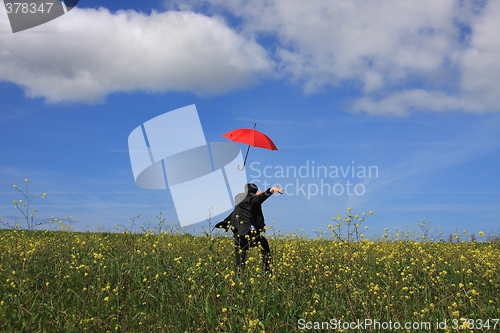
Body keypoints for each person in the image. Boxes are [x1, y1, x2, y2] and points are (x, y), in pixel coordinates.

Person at [215, 183, 283, 274]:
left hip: (239, 235)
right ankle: (268, 271)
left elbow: (247, 197)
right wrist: (272, 189)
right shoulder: (254, 200)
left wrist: (255, 194)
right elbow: (261, 197)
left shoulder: (239, 199)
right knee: (264, 245)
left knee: (240, 262)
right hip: (251, 235)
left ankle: (238, 279)